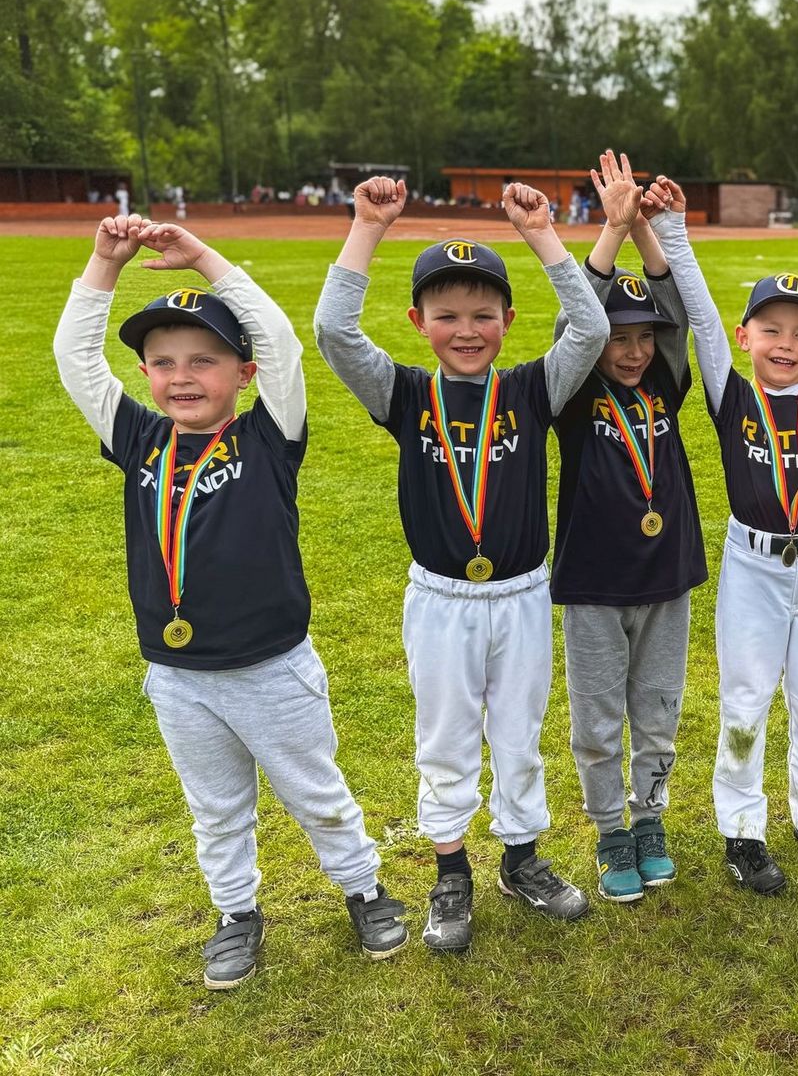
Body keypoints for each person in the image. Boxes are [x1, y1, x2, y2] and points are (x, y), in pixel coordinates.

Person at [53, 214, 408, 991]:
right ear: (145, 372)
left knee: (316, 794)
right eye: (162, 362)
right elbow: (76, 359)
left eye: (204, 361)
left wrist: (205, 260)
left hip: (272, 668)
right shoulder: (139, 440)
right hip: (179, 675)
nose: (181, 377)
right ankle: (236, 913)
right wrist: (103, 265)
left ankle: (363, 889)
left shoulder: (268, 435)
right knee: (215, 808)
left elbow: (280, 339)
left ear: (244, 373)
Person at [313, 175, 607, 953]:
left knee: (519, 734)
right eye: (447, 315)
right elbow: (334, 332)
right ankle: (451, 873)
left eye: (483, 315)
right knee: (445, 738)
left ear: (508, 321)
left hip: (521, 594)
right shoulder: (406, 394)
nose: (466, 330)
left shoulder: (532, 389)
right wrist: (367, 227)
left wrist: (542, 234)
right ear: (418, 322)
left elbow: (590, 329)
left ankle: (521, 859)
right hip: (441, 599)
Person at [647, 174, 798, 894]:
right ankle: (743, 831)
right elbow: (700, 319)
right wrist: (674, 231)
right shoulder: (732, 394)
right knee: (746, 703)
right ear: (746, 336)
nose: (786, 343)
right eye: (771, 330)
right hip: (752, 567)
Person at [550, 156, 710, 902]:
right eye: (619, 336)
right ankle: (610, 828)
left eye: (644, 337)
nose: (634, 350)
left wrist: (647, 228)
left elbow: (677, 310)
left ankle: (649, 819)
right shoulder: (574, 392)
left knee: (657, 711)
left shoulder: (664, 387)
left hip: (666, 576)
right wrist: (611, 232)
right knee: (596, 721)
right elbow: (575, 321)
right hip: (594, 580)